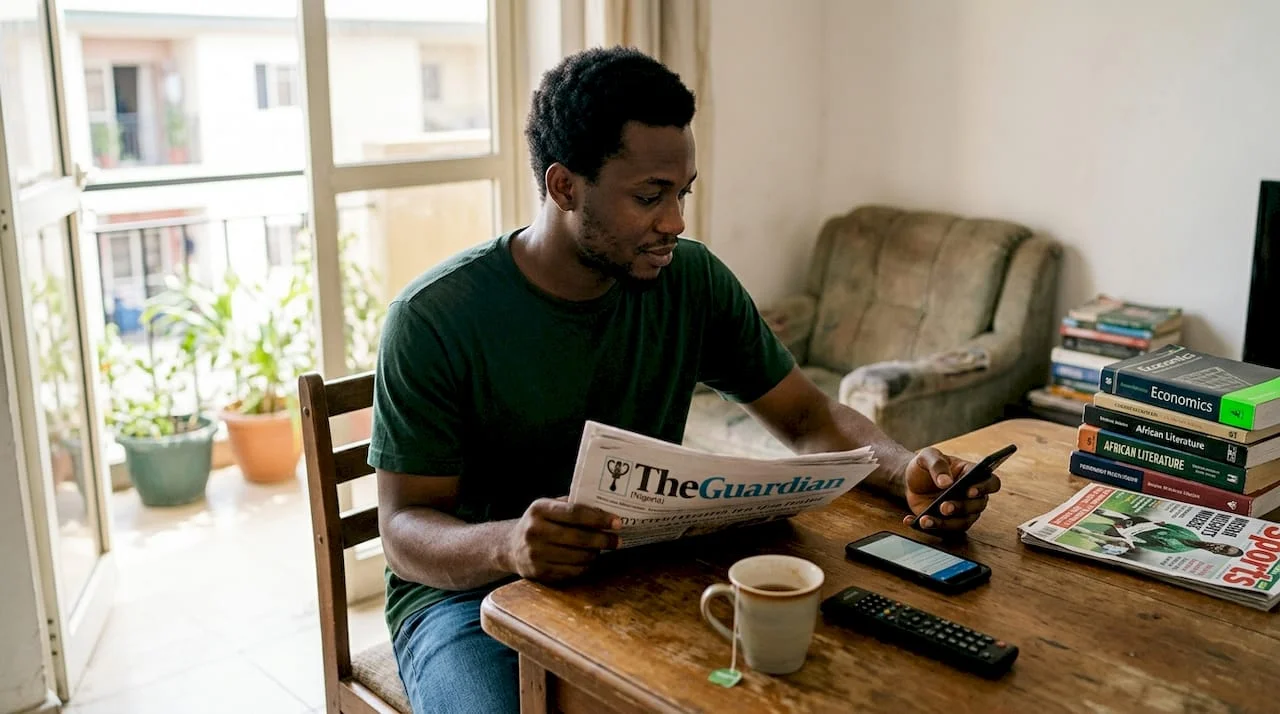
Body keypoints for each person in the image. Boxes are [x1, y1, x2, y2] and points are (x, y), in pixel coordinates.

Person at [369, 46, 1003, 714]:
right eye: (649, 196)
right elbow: (404, 529)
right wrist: (508, 543)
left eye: (682, 193)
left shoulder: (690, 280)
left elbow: (809, 421)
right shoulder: (434, 318)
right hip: (469, 601)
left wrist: (908, 470)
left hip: (638, 568)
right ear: (564, 188)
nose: (675, 222)